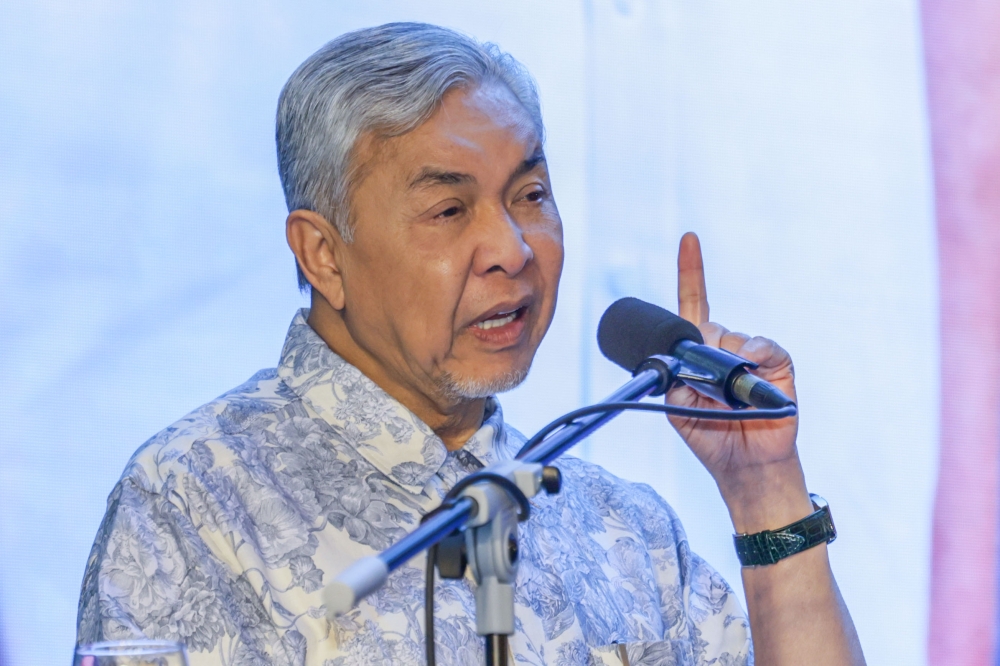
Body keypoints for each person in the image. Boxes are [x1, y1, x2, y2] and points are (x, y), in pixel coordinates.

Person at [76, 22, 865, 666]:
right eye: (450, 211)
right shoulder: (196, 498)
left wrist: (767, 492)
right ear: (322, 253)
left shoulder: (621, 529)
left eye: (530, 195)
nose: (513, 249)